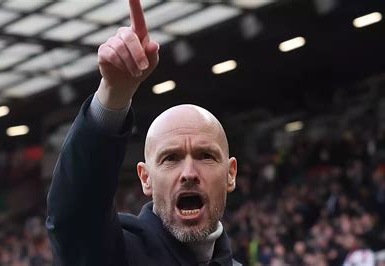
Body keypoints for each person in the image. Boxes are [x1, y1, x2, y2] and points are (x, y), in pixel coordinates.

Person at [45, 1, 240, 265]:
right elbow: (75, 218)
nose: (189, 173)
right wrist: (113, 95)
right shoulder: (118, 255)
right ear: (145, 179)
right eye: (170, 158)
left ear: (230, 174)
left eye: (206, 155)